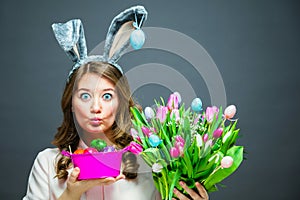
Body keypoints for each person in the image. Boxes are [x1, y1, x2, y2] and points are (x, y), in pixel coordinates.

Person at [23, 6, 209, 200]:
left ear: (120, 102)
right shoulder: (46, 163)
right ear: (71, 103)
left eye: (107, 96)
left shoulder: (151, 163)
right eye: (85, 96)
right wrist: (71, 194)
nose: (96, 107)